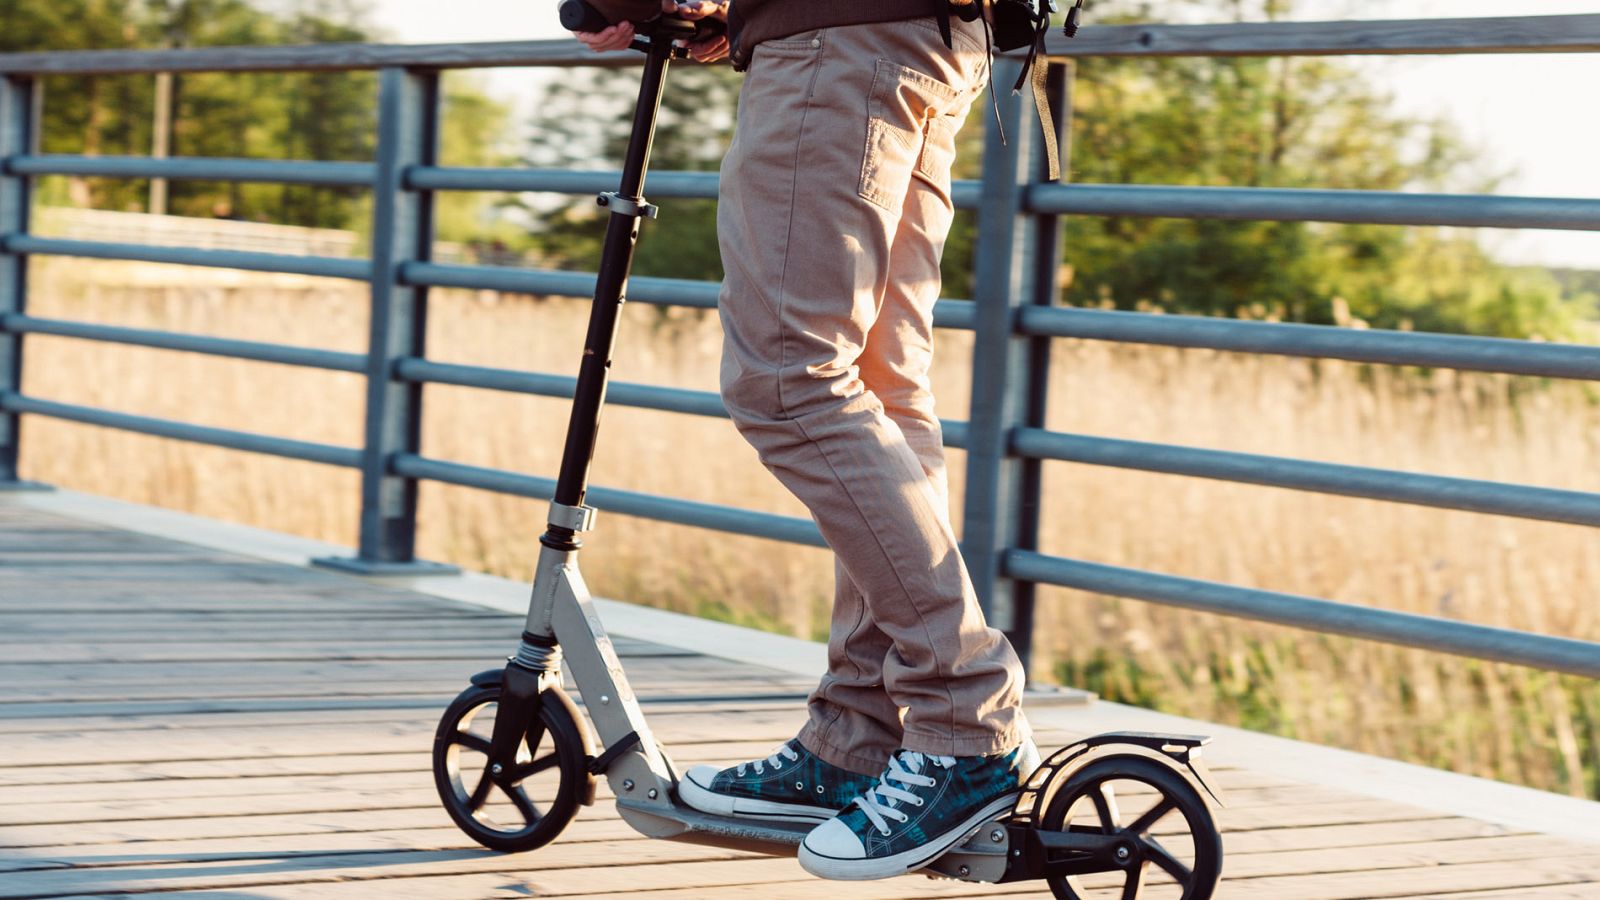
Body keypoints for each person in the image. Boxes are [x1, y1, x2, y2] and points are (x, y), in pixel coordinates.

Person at [574, 0, 1035, 881]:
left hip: (840, 41)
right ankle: (858, 738)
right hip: (923, 34)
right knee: (879, 386)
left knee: (789, 380)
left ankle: (966, 719)